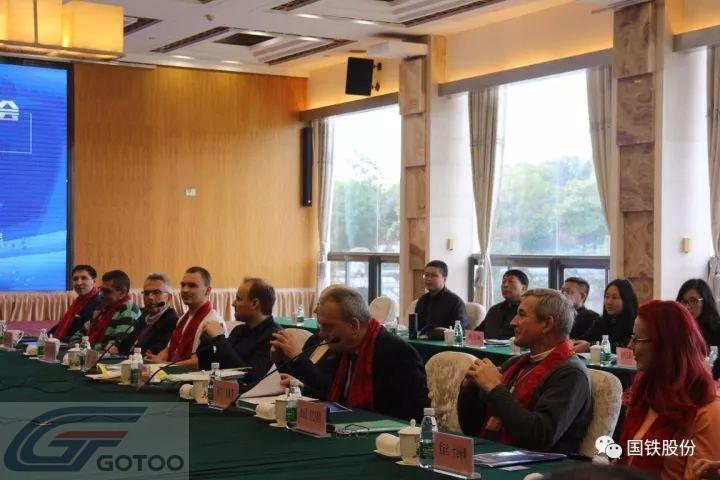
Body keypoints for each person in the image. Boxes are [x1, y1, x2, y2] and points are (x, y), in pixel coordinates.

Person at [457, 288, 592, 455]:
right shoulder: (516, 363)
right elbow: (471, 428)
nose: (513, 322)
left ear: (547, 324)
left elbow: (538, 439)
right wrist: (471, 387)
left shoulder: (571, 374)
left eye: (522, 315)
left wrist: (494, 388)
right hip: (496, 455)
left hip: (541, 465)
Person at [271, 285, 429, 421]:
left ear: (354, 326)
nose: (322, 334)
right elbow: (331, 394)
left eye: (327, 327)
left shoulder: (398, 354)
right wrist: (299, 384)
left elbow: (412, 417)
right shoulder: (343, 348)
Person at [618, 300, 720, 479]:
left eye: (637, 339)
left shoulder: (707, 412)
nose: (630, 346)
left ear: (665, 346)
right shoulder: (647, 393)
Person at [198, 277, 281, 382]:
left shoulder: (274, 337)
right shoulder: (239, 330)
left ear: (254, 303)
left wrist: (219, 338)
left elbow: (248, 377)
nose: (233, 304)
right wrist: (207, 339)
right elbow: (207, 367)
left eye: (238, 299)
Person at [145, 266, 225, 369]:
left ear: (207, 290)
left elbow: (198, 363)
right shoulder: (183, 318)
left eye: (192, 286)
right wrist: (155, 361)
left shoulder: (212, 321)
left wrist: (162, 365)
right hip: (172, 373)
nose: (185, 290)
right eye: (183, 285)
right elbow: (168, 350)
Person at [69, 270, 141, 350]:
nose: (101, 294)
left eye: (106, 291)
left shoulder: (128, 309)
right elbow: (80, 334)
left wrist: (86, 347)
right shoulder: (102, 308)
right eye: (101, 289)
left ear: (122, 293)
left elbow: (116, 346)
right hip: (89, 352)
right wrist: (79, 346)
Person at [114, 273, 178, 356]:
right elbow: (126, 343)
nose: (150, 297)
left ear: (169, 297)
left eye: (156, 292)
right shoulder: (144, 315)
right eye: (146, 293)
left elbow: (152, 353)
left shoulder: (171, 320)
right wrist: (117, 347)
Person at [574, 279, 638, 353]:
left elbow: (624, 346)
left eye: (614, 297)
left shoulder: (636, 323)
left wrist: (591, 347)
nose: (609, 302)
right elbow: (587, 338)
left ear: (626, 300)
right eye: (607, 297)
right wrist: (573, 342)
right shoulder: (602, 320)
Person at [414, 260, 468, 338]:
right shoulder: (422, 300)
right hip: (420, 341)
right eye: (426, 275)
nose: (428, 279)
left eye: (434, 275)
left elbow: (460, 332)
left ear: (444, 279)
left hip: (443, 343)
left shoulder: (455, 302)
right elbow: (416, 328)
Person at [48, 265, 102, 341]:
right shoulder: (78, 301)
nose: (79, 283)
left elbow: (84, 334)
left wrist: (56, 341)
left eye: (84, 278)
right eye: (75, 279)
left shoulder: (98, 303)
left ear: (94, 281)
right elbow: (60, 325)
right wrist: (46, 337)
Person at [477, 269, 528, 339]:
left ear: (523, 288)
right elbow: (477, 334)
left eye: (511, 282)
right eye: (503, 282)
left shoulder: (529, 311)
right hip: (487, 346)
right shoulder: (494, 310)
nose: (505, 285)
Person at [676, 279, 720, 348]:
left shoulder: (717, 330)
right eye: (684, 301)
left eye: (693, 301)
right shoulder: (676, 328)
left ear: (705, 302)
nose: (687, 306)